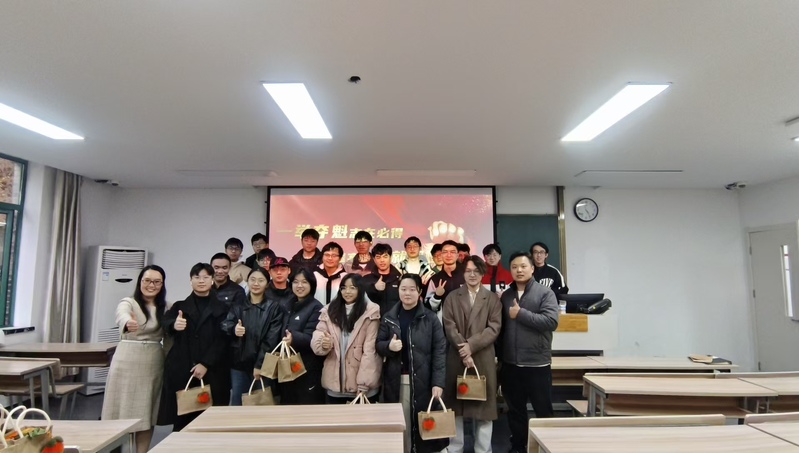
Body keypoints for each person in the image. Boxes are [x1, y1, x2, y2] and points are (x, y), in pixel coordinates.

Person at [377, 274, 448, 453]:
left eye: (411, 289)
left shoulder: (430, 318)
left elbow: (440, 351)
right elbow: (378, 345)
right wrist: (388, 346)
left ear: (419, 292)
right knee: (402, 426)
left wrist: (438, 382)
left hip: (424, 381)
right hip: (397, 380)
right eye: (403, 289)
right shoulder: (389, 317)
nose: (407, 293)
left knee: (423, 427)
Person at [102, 265, 167, 453]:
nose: (151, 285)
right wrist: (127, 322)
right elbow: (121, 314)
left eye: (157, 282)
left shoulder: (166, 307)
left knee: (146, 412)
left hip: (153, 363)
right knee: (118, 409)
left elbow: (170, 333)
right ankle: (114, 449)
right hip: (126, 361)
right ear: (140, 282)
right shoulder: (129, 302)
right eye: (147, 281)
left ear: (162, 284)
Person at [158, 263, 230, 431]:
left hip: (213, 370)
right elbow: (165, 322)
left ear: (212, 280)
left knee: (212, 420)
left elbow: (223, 339)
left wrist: (205, 363)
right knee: (183, 420)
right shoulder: (180, 306)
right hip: (184, 369)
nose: (201, 281)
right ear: (191, 281)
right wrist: (174, 325)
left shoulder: (223, 308)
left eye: (205, 277)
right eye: (197, 277)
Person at [499, 251, 559, 453]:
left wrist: (521, 314)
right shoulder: (506, 295)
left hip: (537, 364)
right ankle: (518, 446)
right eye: (514, 267)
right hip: (511, 364)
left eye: (523, 266)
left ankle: (547, 447)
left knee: (543, 410)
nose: (519, 270)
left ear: (532, 269)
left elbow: (551, 322)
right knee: (515, 411)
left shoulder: (545, 293)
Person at [442, 256, 501, 453]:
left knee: (484, 409)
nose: (472, 274)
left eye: (476, 270)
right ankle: (455, 448)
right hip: (457, 357)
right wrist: (464, 350)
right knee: (456, 407)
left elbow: (494, 328)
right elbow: (449, 326)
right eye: (468, 271)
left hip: (482, 357)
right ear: (463, 273)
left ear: (483, 273)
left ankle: (483, 449)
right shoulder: (452, 297)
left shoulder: (492, 298)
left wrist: (471, 346)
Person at [311, 274, 382, 404]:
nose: (347, 292)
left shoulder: (370, 312)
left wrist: (364, 383)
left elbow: (370, 350)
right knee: (334, 417)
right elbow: (319, 332)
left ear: (360, 289)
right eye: (343, 288)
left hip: (361, 387)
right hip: (335, 385)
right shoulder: (329, 310)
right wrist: (323, 343)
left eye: (352, 288)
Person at [221, 267, 285, 406]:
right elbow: (225, 324)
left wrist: (260, 365)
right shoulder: (237, 305)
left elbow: (271, 340)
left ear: (267, 284)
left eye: (261, 280)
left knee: (261, 405)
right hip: (238, 365)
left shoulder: (274, 308)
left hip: (263, 365)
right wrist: (233, 328)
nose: (256, 284)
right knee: (238, 403)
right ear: (247, 281)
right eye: (253, 280)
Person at [280, 268, 325, 404]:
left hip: (307, 366)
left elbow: (313, 338)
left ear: (312, 285)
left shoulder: (316, 307)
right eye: (296, 282)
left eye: (304, 282)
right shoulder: (287, 304)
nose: (299, 286)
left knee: (306, 406)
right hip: (287, 364)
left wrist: (294, 338)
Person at [426, 240, 465, 317]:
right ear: (441, 255)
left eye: (452, 252)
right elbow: (428, 308)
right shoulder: (435, 279)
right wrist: (436, 296)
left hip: (465, 322)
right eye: (445, 252)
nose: (449, 255)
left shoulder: (467, 276)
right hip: (443, 322)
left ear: (457, 255)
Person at [362, 243, 403, 315]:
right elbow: (361, 300)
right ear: (374, 259)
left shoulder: (400, 279)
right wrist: (374, 288)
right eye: (378, 257)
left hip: (394, 319)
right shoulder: (366, 279)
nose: (382, 260)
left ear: (390, 257)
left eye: (385, 256)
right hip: (373, 319)